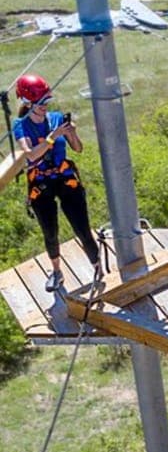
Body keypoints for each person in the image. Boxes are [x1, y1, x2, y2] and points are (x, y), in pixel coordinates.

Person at [13, 73, 100, 292]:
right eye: (40, 103)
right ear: (27, 103)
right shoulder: (21, 125)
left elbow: (78, 149)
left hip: (64, 178)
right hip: (41, 182)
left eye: (46, 102)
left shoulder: (56, 118)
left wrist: (71, 134)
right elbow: (31, 155)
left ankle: (97, 267)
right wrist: (53, 137)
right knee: (50, 231)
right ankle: (56, 271)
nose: (44, 107)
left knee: (82, 227)